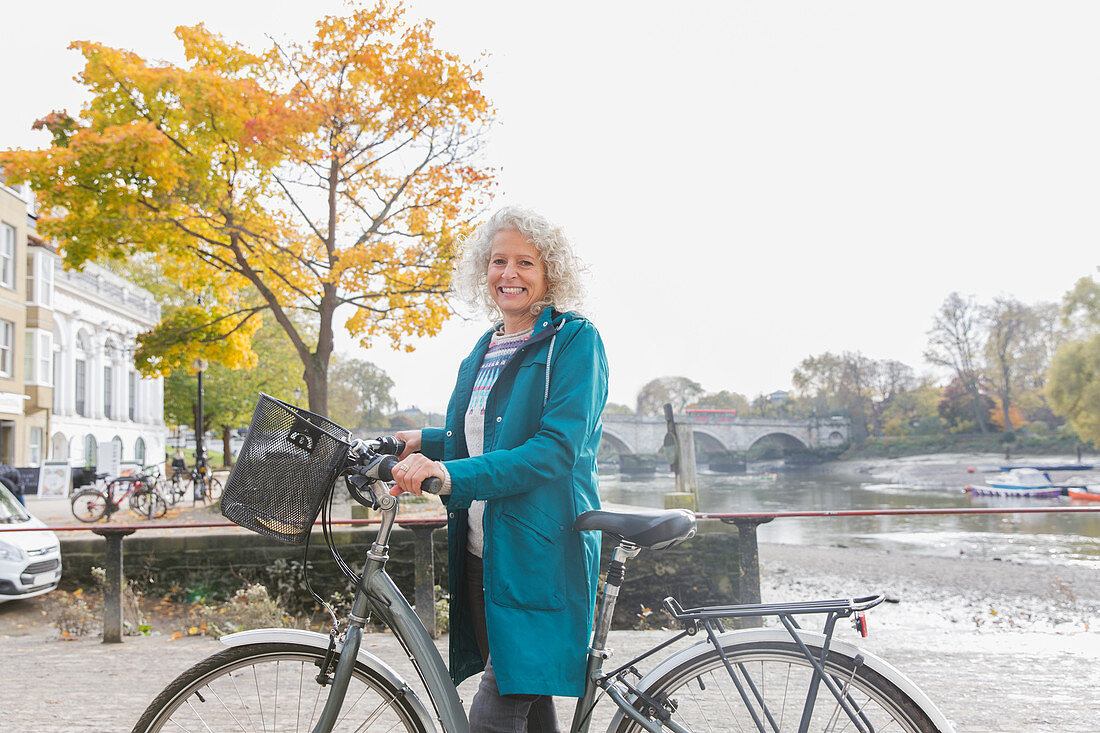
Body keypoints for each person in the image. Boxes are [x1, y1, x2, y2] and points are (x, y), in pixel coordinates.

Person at [389, 205, 608, 732]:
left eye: (525, 263)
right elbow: (483, 439)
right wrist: (419, 442)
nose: (508, 274)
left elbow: (555, 449)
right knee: (528, 705)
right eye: (497, 261)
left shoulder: (574, 341)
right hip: (481, 551)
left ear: (550, 272)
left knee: (496, 710)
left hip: (540, 552)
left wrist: (451, 477)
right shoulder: (482, 349)